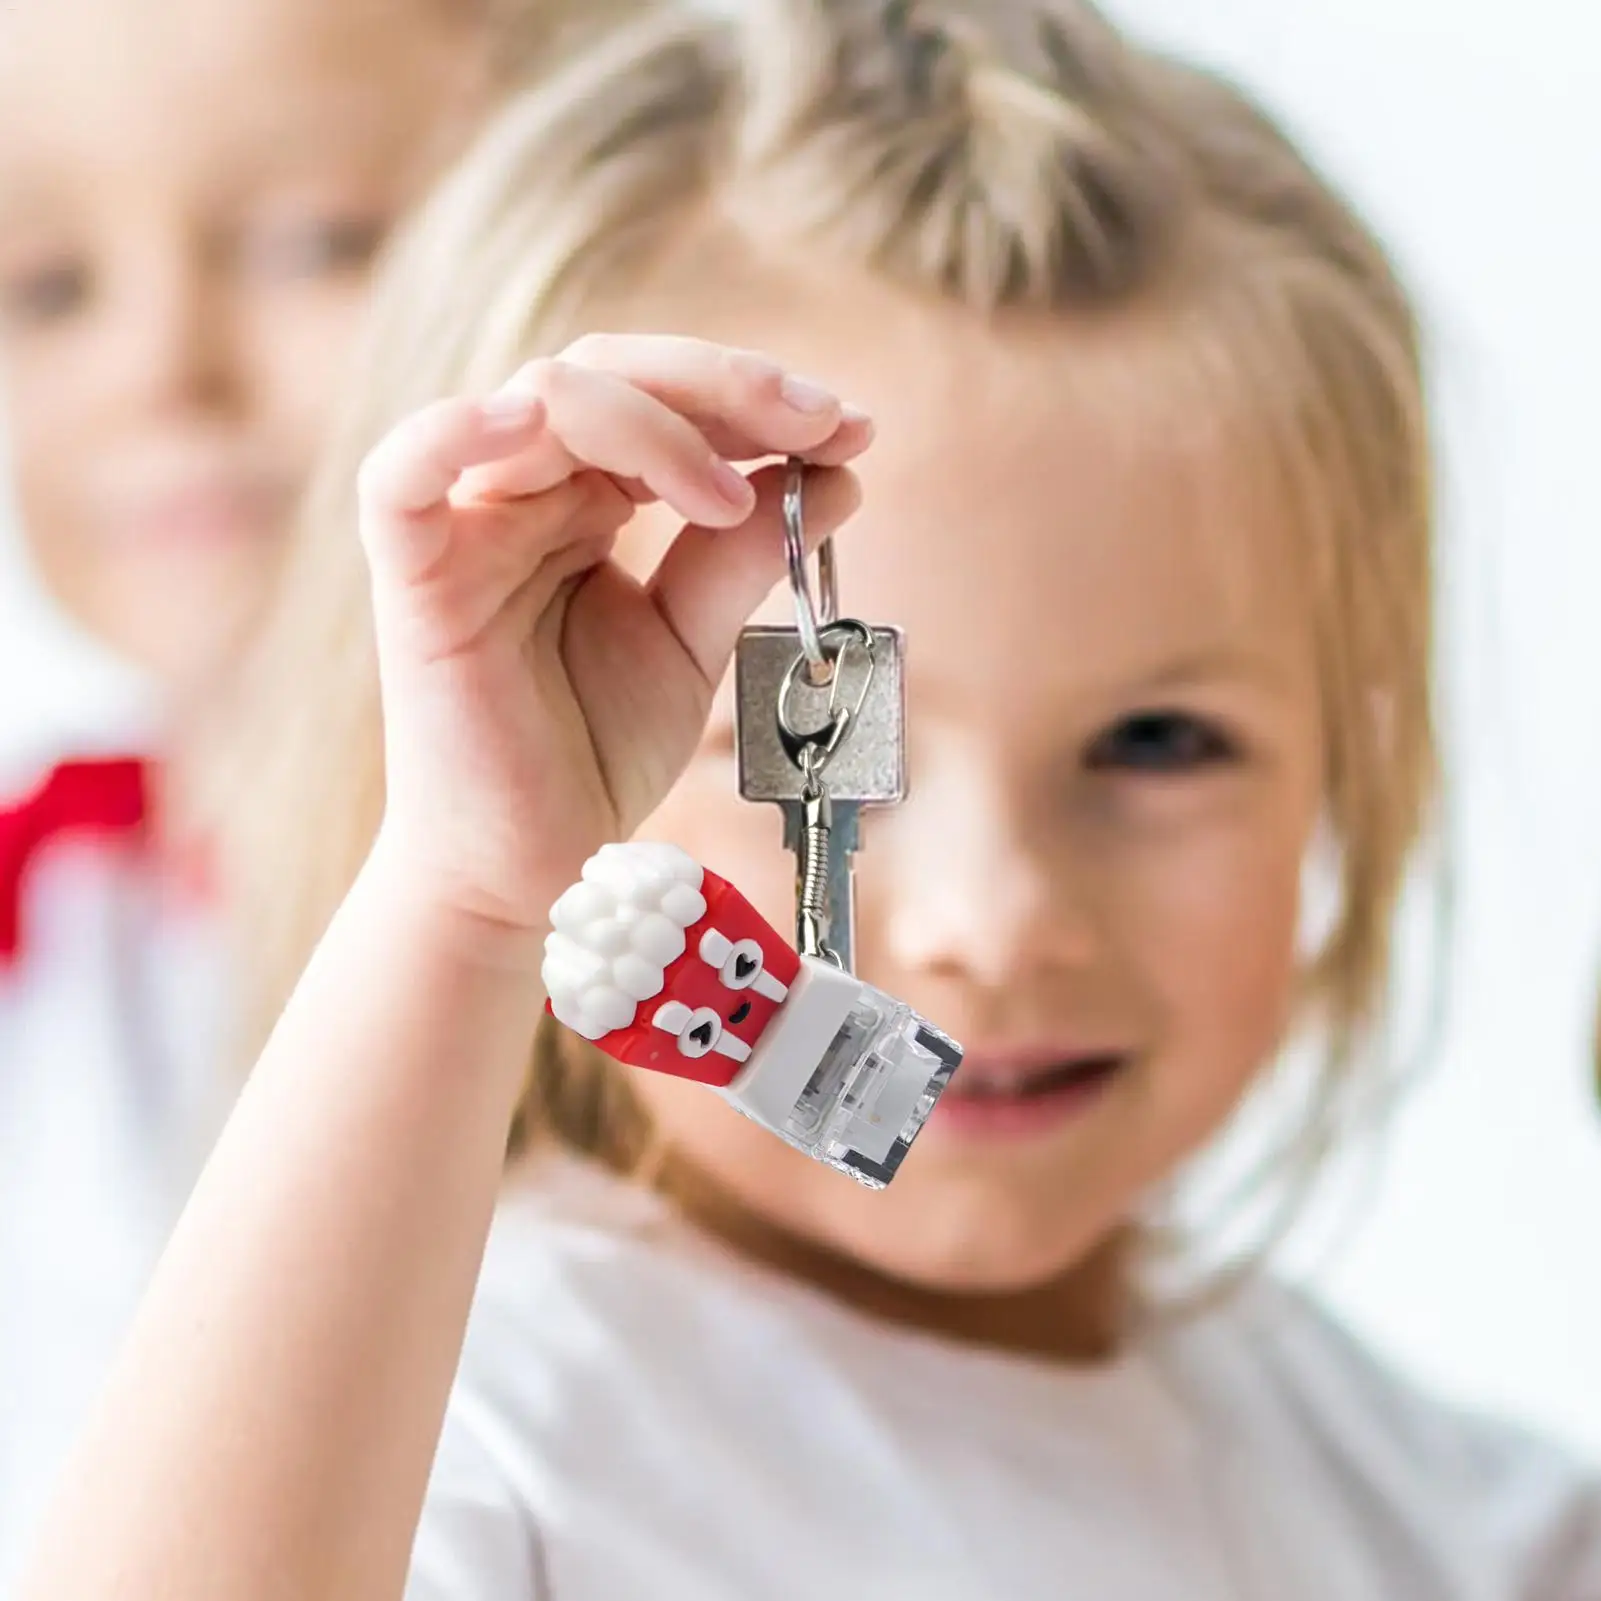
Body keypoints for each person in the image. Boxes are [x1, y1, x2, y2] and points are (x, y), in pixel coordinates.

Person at [19, 0, 1601, 1596]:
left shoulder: (1439, 1512)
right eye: (823, 757)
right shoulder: (468, 1438)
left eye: (1157, 743)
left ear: (1357, 754)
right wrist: (464, 900)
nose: (997, 919)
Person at [0, 0, 523, 1584]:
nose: (167, 370)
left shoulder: (740, 910)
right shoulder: (42, 930)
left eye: (311, 245)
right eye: (46, 284)